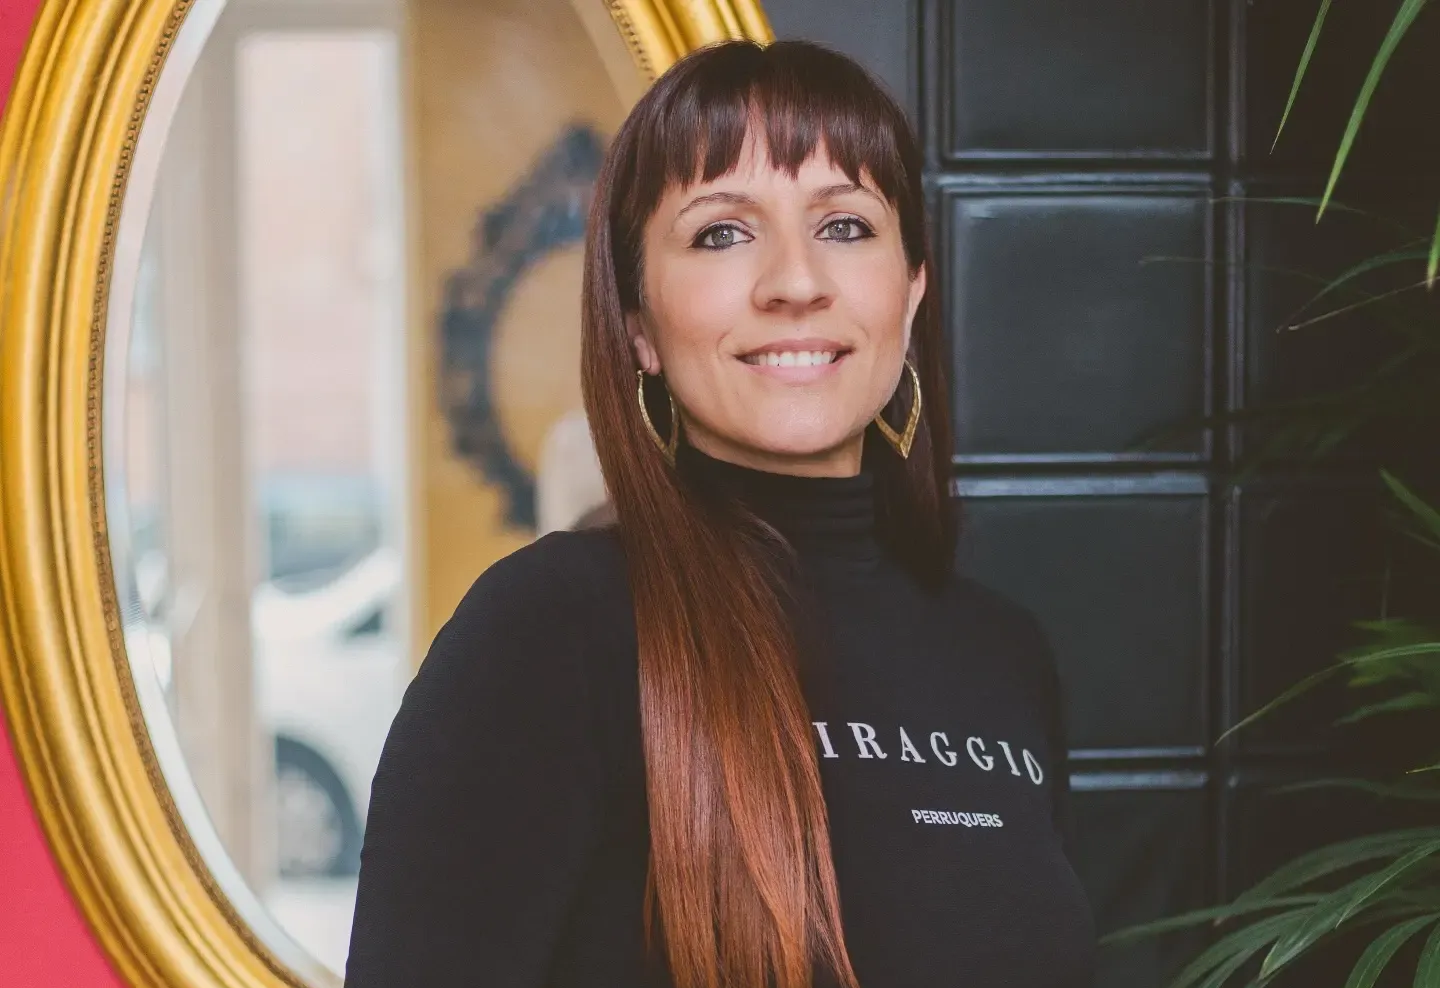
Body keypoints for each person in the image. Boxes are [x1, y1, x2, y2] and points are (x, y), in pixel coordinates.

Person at [345, 39, 1095, 988]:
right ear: (639, 326)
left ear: (911, 295)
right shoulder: (546, 632)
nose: (794, 280)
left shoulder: (1003, 654)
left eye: (847, 226)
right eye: (722, 233)